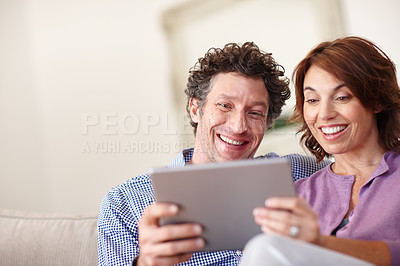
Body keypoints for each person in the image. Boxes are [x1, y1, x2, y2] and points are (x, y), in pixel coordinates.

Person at [97, 42, 329, 266]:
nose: (238, 126)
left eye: (255, 113)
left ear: (268, 123)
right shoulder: (124, 203)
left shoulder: (301, 173)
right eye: (225, 106)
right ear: (196, 109)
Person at [242, 36, 400, 265]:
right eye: (313, 100)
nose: (324, 114)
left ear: (377, 101)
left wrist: (321, 243)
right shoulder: (299, 196)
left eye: (342, 97)